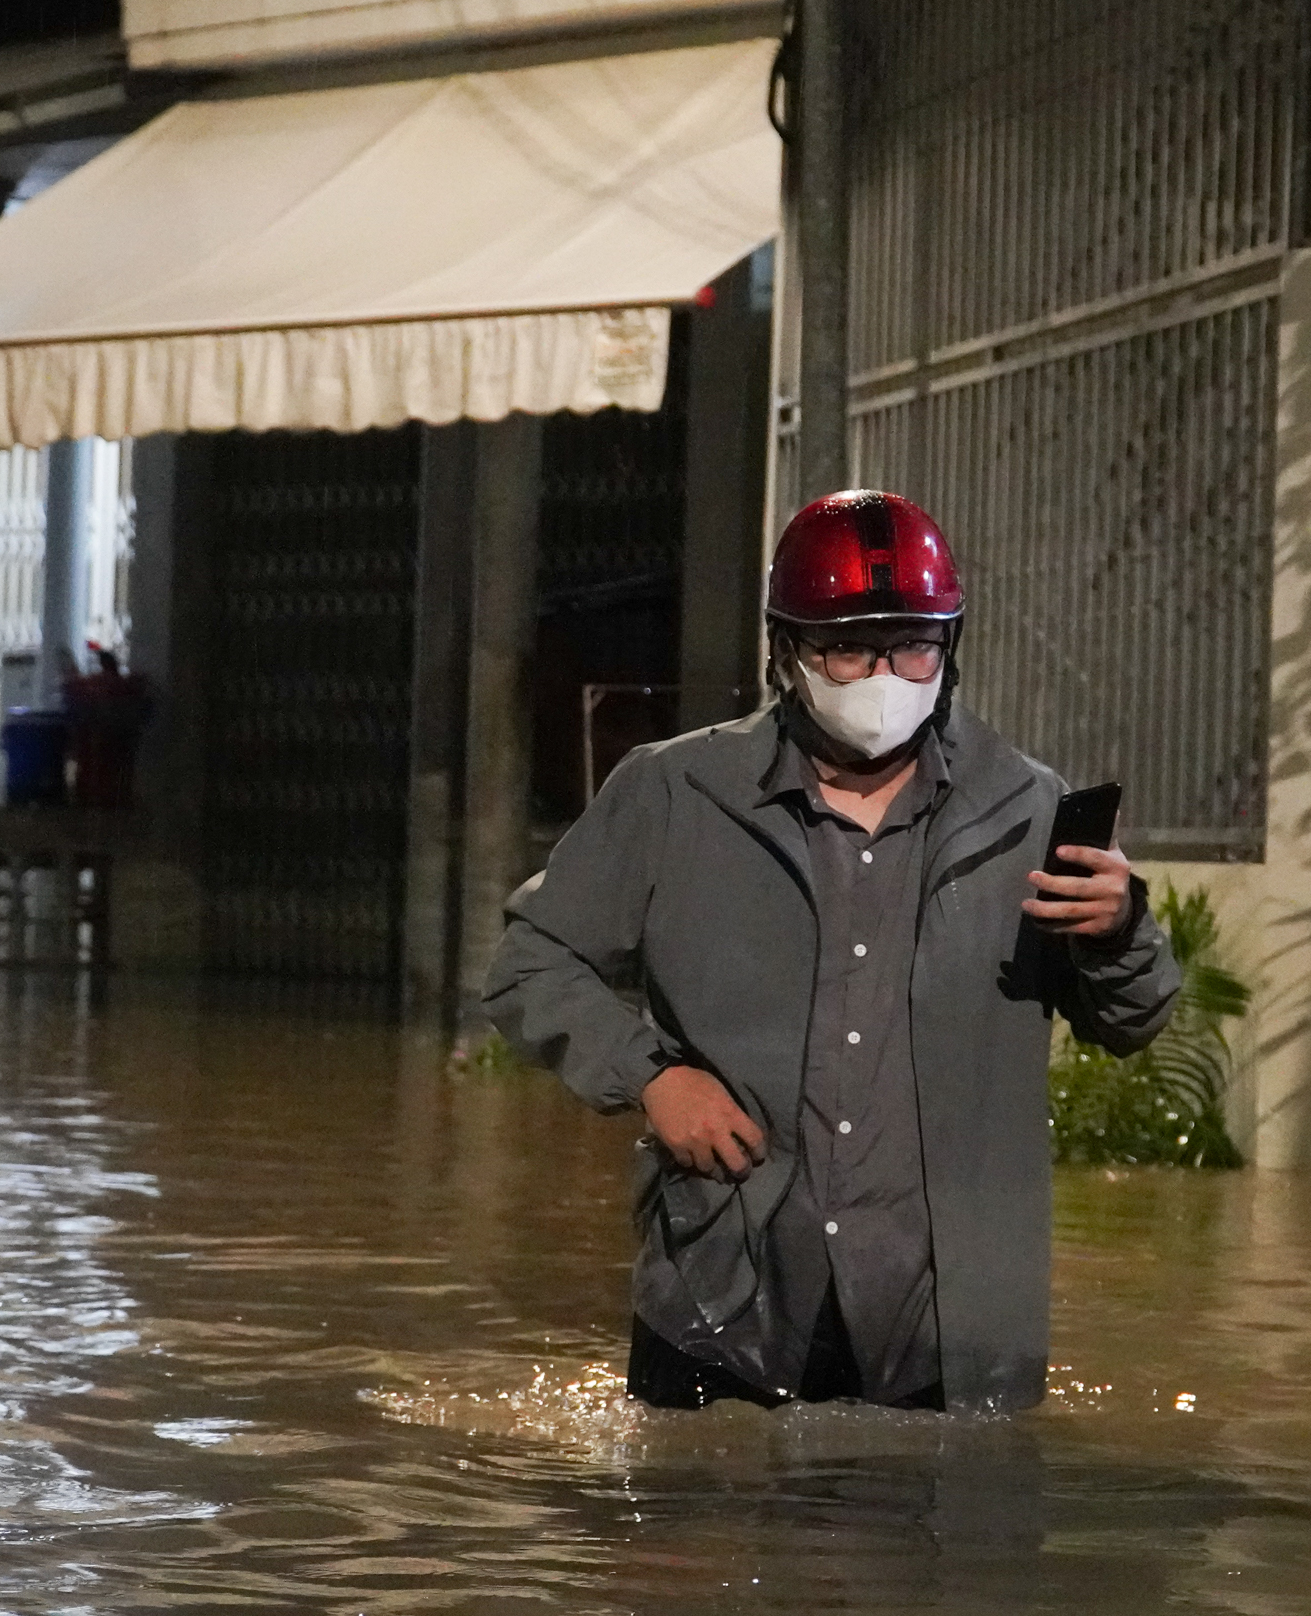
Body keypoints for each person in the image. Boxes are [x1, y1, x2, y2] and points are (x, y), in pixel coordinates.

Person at [482, 490, 1181, 1413]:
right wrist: (652, 1077)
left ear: (950, 647)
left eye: (914, 645)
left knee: (949, 1547)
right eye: (849, 648)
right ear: (787, 651)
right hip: (723, 1294)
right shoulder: (675, 792)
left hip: (947, 1327)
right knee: (691, 1537)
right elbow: (530, 960)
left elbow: (1135, 1018)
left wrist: (1119, 928)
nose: (884, 676)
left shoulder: (1026, 810)